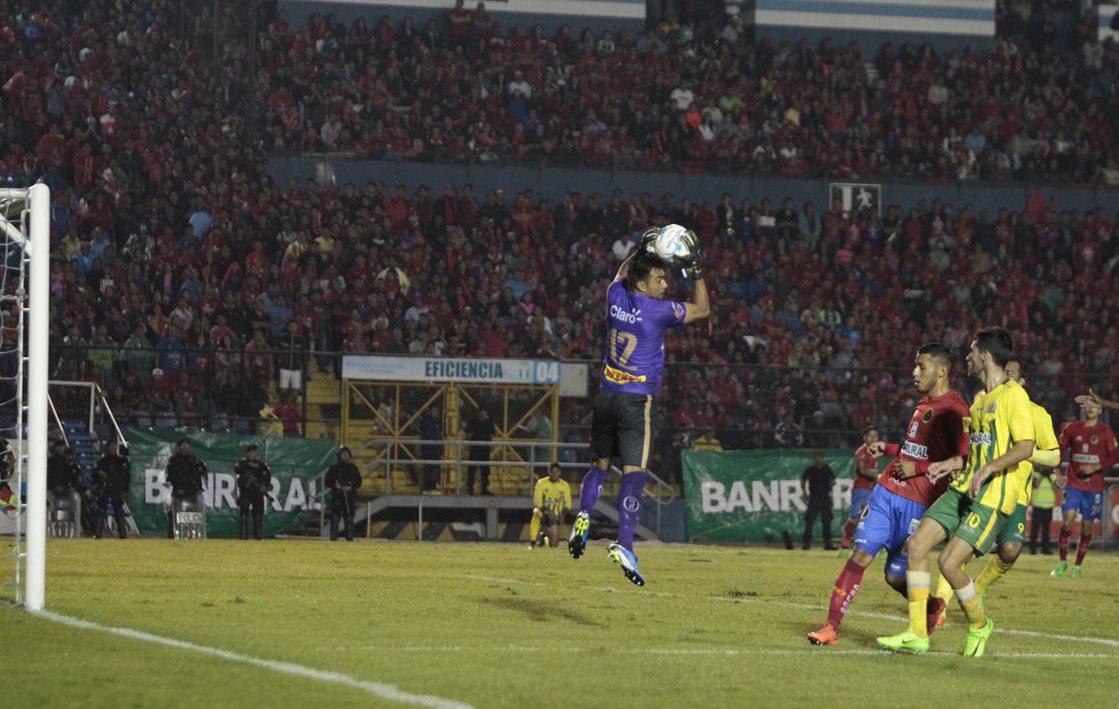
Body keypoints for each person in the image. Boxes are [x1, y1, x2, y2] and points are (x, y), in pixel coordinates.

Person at [877, 327, 1034, 658]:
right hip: (963, 487)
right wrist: (950, 465)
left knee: (949, 563)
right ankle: (917, 633)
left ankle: (979, 624)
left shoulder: (1013, 396)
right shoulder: (979, 400)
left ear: (984, 356)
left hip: (992, 495)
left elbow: (1025, 446)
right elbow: (975, 452)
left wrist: (990, 469)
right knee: (916, 545)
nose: (966, 357)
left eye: (972, 351)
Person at [568, 226, 709, 587]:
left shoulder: (614, 294)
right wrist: (696, 270)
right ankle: (626, 544)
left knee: (599, 468)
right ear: (644, 286)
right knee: (634, 475)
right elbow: (702, 309)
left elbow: (622, 272)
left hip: (605, 397)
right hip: (635, 402)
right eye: (660, 279)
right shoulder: (658, 311)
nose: (666, 284)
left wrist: (642, 249)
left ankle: (583, 513)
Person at [808, 343, 969, 647]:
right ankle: (831, 627)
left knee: (894, 577)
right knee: (860, 554)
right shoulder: (923, 404)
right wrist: (889, 449)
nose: (914, 372)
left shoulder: (956, 410)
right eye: (915, 365)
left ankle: (933, 607)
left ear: (941, 370)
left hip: (918, 505)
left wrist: (919, 469)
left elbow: (964, 459)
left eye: (921, 366)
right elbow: (912, 449)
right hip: (886, 492)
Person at [929, 358, 1060, 619]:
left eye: (1010, 375)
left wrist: (1021, 452)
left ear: (1022, 383)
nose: (1003, 378)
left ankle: (979, 587)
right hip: (984, 488)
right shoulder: (986, 403)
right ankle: (939, 609)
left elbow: (1053, 457)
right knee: (959, 549)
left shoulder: (1037, 413)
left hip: (1016, 494)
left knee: (1010, 550)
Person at [1051, 397, 1117, 578]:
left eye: (1095, 405)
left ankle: (1078, 565)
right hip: (1073, 484)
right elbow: (1059, 449)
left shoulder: (1106, 431)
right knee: (1067, 520)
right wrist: (1056, 472)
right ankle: (1062, 562)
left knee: (1087, 528)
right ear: (1084, 408)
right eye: (1089, 405)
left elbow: (1114, 456)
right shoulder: (1073, 428)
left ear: (1100, 410)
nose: (1091, 408)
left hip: (1094, 488)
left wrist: (1096, 467)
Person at [841, 425, 880, 552]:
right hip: (861, 488)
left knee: (869, 516)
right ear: (864, 437)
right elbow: (862, 470)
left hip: (872, 488)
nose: (873, 438)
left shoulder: (876, 452)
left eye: (875, 436)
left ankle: (861, 541)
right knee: (855, 516)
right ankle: (847, 534)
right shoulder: (861, 452)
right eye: (870, 435)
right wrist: (878, 476)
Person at [165, 438, 207, 539]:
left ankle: (192, 534)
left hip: (192, 489)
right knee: (175, 513)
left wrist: (197, 485)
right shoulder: (174, 460)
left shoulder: (194, 459)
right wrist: (177, 484)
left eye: (187, 445)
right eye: (183, 445)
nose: (185, 447)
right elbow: (171, 475)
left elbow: (201, 471)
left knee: (193, 513)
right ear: (179, 447)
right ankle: (173, 534)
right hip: (179, 489)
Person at [92, 439, 131, 539]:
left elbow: (127, 477)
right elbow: (95, 473)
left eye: (114, 445)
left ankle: (123, 534)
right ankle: (97, 533)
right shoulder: (102, 461)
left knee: (119, 511)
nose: (112, 447)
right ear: (107, 447)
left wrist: (125, 490)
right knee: (101, 510)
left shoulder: (122, 460)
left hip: (118, 488)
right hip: (105, 487)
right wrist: (100, 474)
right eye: (111, 445)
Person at [529, 462, 572, 548]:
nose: (555, 474)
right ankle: (532, 541)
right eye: (552, 471)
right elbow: (537, 502)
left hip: (556, 516)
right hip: (544, 512)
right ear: (549, 472)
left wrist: (562, 515)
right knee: (536, 512)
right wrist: (547, 511)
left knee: (554, 546)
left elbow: (568, 504)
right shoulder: (541, 483)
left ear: (560, 472)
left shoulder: (564, 485)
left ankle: (544, 539)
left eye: (557, 472)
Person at [235, 444, 273, 540]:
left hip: (257, 493)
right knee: (244, 516)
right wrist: (249, 465)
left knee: (258, 516)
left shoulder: (261, 465)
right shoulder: (242, 463)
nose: (252, 454)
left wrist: (264, 486)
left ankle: (258, 538)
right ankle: (243, 538)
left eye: (254, 452)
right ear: (246, 454)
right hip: (245, 492)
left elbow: (267, 476)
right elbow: (238, 469)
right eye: (250, 453)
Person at [800, 452, 836, 550]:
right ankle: (806, 543)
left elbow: (833, 480)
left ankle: (828, 544)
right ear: (814, 459)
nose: (818, 460)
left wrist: (829, 488)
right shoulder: (810, 470)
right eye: (816, 458)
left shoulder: (827, 469)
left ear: (823, 459)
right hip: (814, 497)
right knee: (809, 521)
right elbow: (803, 480)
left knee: (827, 521)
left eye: (820, 457)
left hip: (825, 497)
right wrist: (805, 494)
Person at [325, 446, 361, 541]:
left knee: (349, 518)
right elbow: (327, 481)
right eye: (343, 454)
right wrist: (335, 485)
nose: (345, 456)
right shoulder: (334, 468)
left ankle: (349, 539)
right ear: (339, 455)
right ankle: (333, 538)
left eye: (347, 454)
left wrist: (351, 487)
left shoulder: (353, 468)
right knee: (335, 518)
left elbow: (358, 482)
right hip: (337, 496)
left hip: (349, 497)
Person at [464, 407, 495, 495]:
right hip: (475, 447)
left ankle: (484, 488)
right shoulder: (473, 421)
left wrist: (491, 443)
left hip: (485, 448)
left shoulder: (489, 422)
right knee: (472, 468)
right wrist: (469, 439)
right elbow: (467, 431)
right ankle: (470, 487)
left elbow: (492, 433)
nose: (483, 412)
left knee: (485, 468)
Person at [1029, 465, 1058, 555]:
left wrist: (1049, 477)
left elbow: (1055, 489)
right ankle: (1033, 548)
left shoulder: (1052, 476)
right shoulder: (1036, 474)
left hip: (1049, 505)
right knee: (1035, 528)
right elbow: (1035, 485)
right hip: (1038, 505)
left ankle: (1045, 548)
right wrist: (1042, 475)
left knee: (1046, 529)